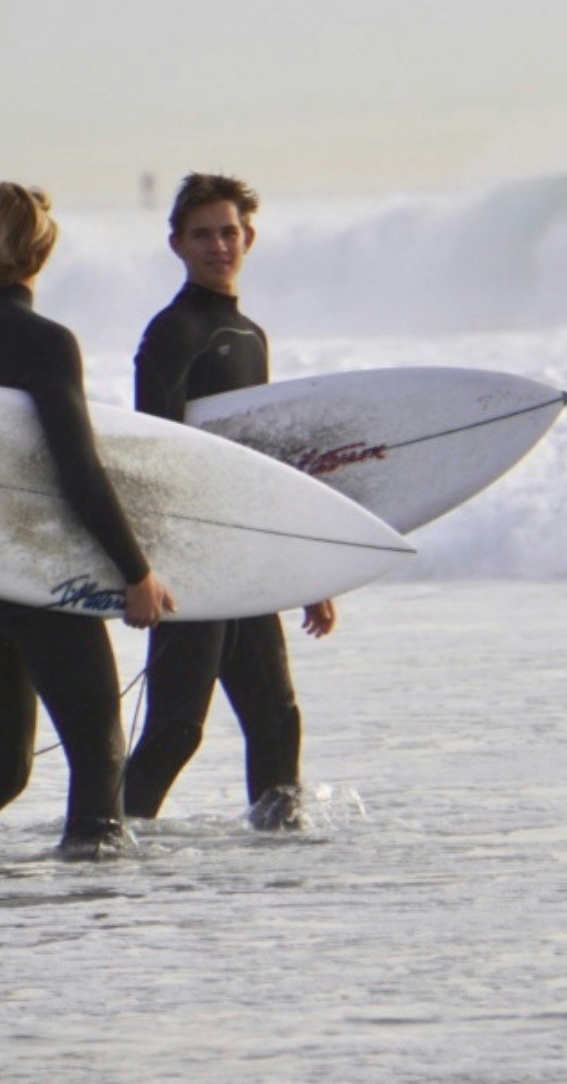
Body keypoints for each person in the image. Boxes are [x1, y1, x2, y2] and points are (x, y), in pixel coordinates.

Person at [0, 182, 174, 859]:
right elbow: (76, 468)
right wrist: (137, 572)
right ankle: (90, 924)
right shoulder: (44, 342)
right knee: (99, 763)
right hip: (34, 571)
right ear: (40, 248)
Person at [121, 172, 333, 829]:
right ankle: (102, 841)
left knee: (277, 719)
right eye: (203, 234)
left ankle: (278, 857)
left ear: (250, 237)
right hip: (191, 560)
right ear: (177, 244)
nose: (219, 246)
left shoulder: (252, 338)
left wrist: (305, 569)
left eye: (229, 232)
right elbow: (150, 453)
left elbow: (256, 465)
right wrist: (149, 567)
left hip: (246, 556)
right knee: (177, 729)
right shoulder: (173, 333)